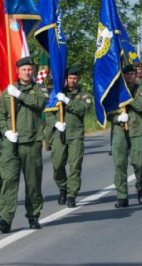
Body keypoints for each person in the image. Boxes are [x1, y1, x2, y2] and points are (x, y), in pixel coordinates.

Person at [0, 56, 48, 233]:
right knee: (9, 181)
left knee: (32, 182)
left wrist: (20, 96)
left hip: (31, 142)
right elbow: (0, 115)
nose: (27, 72)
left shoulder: (39, 89)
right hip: (11, 143)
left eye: (30, 69)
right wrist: (5, 131)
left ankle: (33, 216)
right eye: (24, 69)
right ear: (18, 71)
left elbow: (40, 103)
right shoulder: (8, 91)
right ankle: (5, 219)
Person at [46, 65, 91, 208]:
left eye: (75, 78)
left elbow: (82, 109)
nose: (72, 81)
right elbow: (48, 114)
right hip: (59, 134)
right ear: (66, 78)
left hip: (75, 135)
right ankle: (62, 187)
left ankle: (72, 194)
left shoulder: (84, 95)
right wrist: (56, 123)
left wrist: (67, 101)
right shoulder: (56, 95)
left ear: (79, 79)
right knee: (57, 164)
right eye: (70, 78)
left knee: (75, 166)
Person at [108, 65, 142, 208]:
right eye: (127, 74)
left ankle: (140, 187)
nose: (130, 76)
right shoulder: (115, 90)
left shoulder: (141, 89)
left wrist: (129, 98)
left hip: (137, 130)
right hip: (120, 131)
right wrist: (118, 118)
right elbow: (108, 113)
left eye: (132, 74)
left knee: (139, 163)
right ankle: (122, 196)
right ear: (122, 75)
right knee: (119, 164)